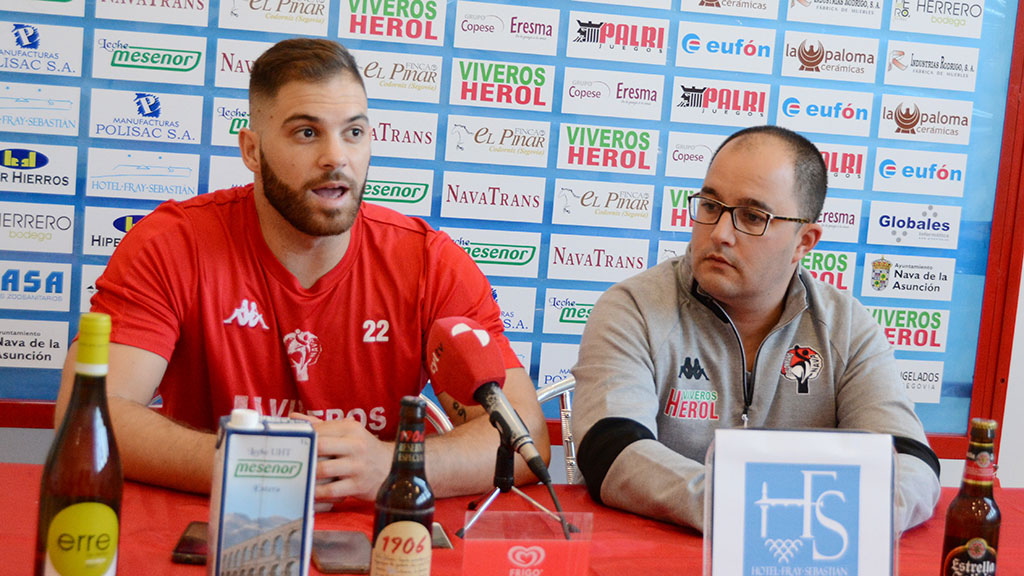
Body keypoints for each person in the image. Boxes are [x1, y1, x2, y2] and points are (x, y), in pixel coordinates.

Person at [54, 38, 549, 504]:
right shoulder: (171, 243)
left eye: (353, 132)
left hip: (369, 540)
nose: (336, 157)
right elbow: (87, 415)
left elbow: (523, 434)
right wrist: (258, 464)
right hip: (209, 528)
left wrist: (394, 463)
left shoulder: (429, 261)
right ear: (252, 150)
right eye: (306, 132)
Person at [571, 125, 941, 533]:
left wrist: (801, 518)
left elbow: (910, 461)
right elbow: (610, 450)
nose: (719, 233)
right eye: (710, 205)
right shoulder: (635, 308)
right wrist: (764, 512)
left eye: (751, 216)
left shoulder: (846, 327)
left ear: (804, 241)